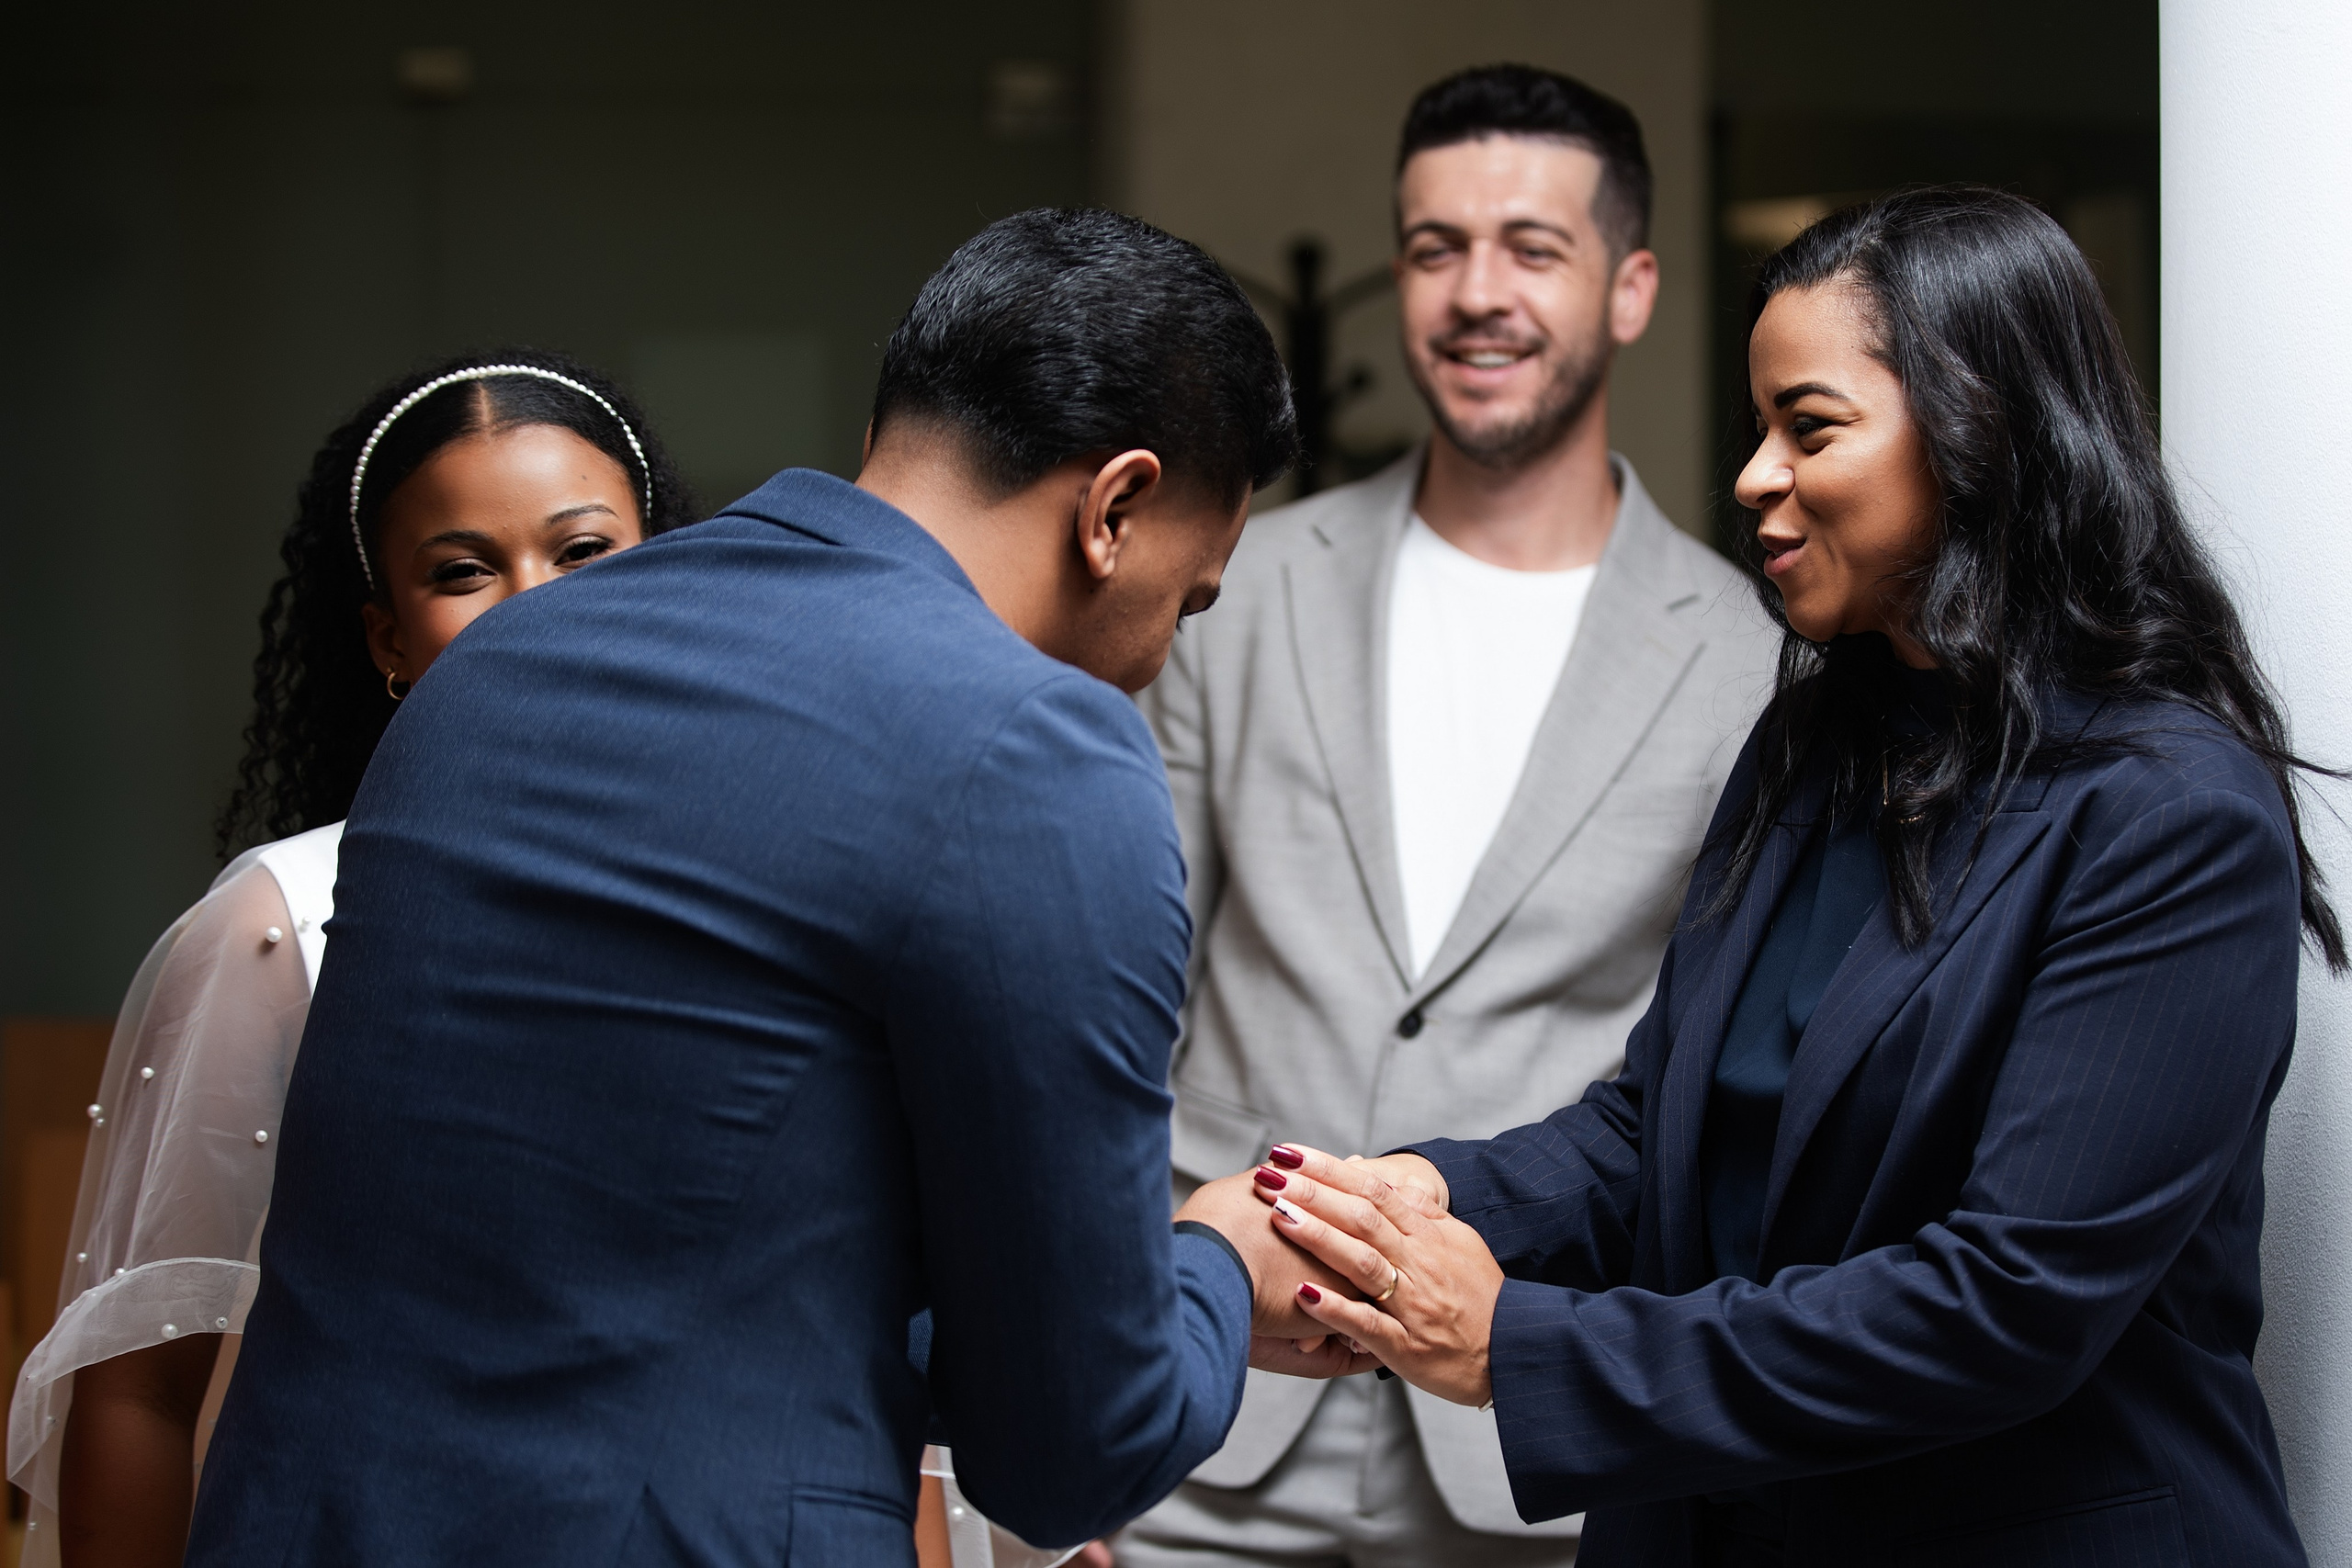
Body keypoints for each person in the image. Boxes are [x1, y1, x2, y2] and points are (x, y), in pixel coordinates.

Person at [183, 209, 1353, 1568]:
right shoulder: (1040, 749)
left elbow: (623, 1244)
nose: (1161, 657)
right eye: (1188, 601)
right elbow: (1067, 1453)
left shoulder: (502, 668)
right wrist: (1211, 1265)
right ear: (1116, 510)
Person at [1250, 186, 2333, 1567]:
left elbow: (2007, 1304)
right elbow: (1657, 1134)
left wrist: (1513, 1346)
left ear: (1981, 431)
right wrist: (1403, 1204)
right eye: (1760, 428)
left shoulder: (2173, 814)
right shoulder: (1817, 739)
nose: (1754, 474)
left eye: (1809, 428)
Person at [1122, 63, 1772, 1564]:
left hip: (1517, 1432)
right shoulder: (1242, 584)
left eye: (1532, 248)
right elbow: (1122, 1003)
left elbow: (1701, 1091)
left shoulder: (1747, 657)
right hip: (1204, 1405)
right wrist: (1098, 1390)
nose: (1478, 293)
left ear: (1631, 288)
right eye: (1435, 248)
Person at [5, 349, 696, 1567]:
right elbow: (140, 1392)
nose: (536, 602)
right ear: (388, 636)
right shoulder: (283, 922)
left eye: (583, 551)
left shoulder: (771, 889)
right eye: (463, 571)